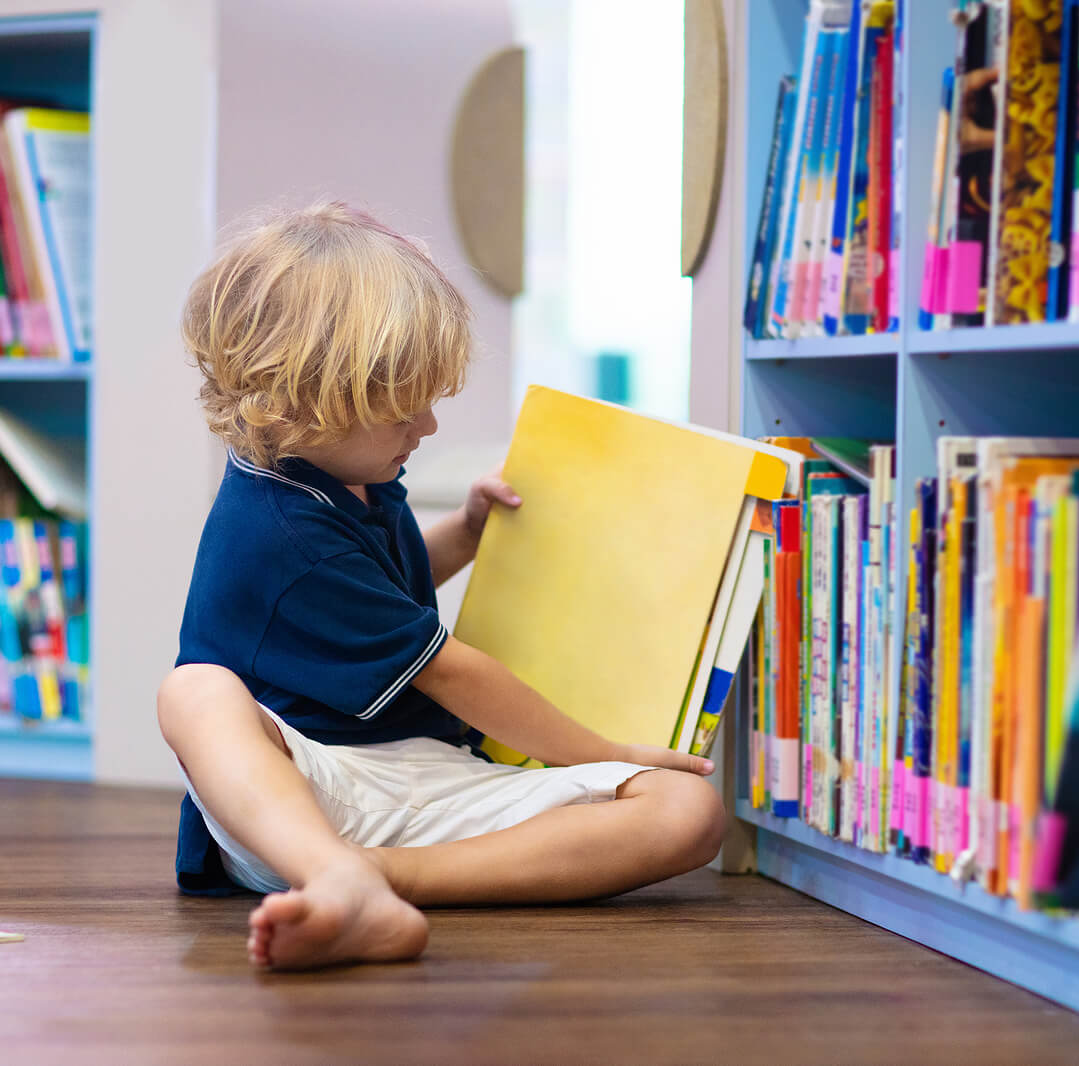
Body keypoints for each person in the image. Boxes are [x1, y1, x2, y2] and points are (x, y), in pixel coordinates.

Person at [159, 201, 726, 970]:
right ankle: (333, 869)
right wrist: (603, 752)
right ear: (308, 401)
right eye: (401, 411)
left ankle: (373, 882)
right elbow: (450, 670)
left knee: (687, 811)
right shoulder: (280, 530)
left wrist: (461, 533)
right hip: (306, 795)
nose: (425, 427)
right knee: (194, 692)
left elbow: (375, 597)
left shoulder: (340, 469)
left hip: (421, 780)